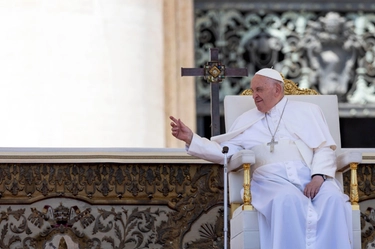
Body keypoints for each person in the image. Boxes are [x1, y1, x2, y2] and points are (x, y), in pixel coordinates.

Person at [170, 68, 352, 249]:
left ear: (277, 90)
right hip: (270, 181)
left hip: (309, 175)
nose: (254, 95)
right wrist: (192, 139)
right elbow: (224, 151)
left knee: (333, 198)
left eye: (259, 90)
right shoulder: (246, 120)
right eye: (253, 90)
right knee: (287, 199)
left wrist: (318, 177)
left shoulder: (308, 111)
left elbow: (324, 148)